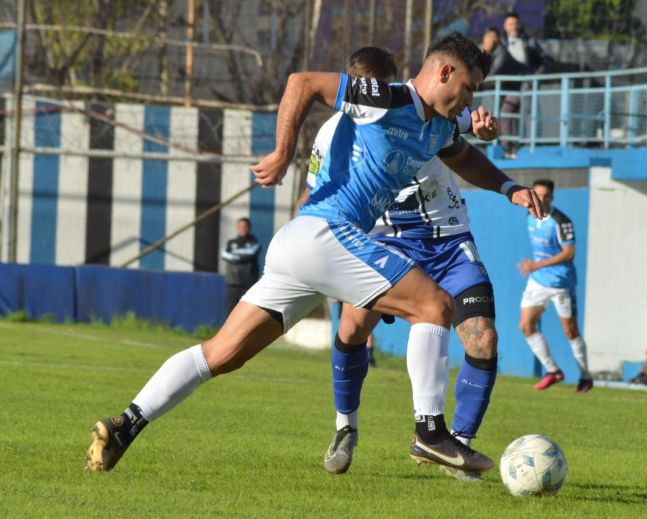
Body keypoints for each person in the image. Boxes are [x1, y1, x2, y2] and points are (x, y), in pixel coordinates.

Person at [84, 34, 545, 475]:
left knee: (223, 354)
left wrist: (509, 187)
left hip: (302, 246)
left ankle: (125, 425)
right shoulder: (388, 99)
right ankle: (430, 431)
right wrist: (283, 151)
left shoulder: (435, 126)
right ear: (444, 71)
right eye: (468, 88)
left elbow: (463, 156)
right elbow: (301, 83)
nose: (469, 99)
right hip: (324, 234)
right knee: (434, 306)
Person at [312, 58, 509, 482]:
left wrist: (481, 131)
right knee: (353, 326)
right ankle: (345, 427)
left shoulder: (416, 108)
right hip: (384, 240)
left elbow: (454, 132)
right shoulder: (331, 135)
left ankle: (456, 443)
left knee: (483, 338)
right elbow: (319, 193)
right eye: (367, 91)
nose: (378, 100)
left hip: (448, 239)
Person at [518, 179, 592, 393]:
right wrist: (536, 268)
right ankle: (553, 371)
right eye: (537, 195)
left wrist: (536, 265)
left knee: (570, 330)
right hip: (538, 280)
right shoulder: (529, 215)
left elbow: (569, 253)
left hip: (560, 282)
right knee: (526, 326)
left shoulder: (561, 221)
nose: (541, 200)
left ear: (551, 198)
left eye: (545, 196)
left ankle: (585, 377)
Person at [499, 12, 545, 157]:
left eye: (516, 24)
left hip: (525, 85)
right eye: (510, 24)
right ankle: (507, 146)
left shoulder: (528, 41)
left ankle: (527, 145)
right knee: (507, 114)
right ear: (505, 26)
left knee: (526, 114)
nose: (514, 27)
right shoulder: (501, 43)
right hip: (508, 86)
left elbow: (543, 60)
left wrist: (534, 77)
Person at [220, 217, 261, 315]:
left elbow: (251, 252)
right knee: (230, 313)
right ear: (237, 227)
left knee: (247, 314)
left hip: (248, 285)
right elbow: (224, 254)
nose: (242, 228)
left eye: (245, 226)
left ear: (249, 227)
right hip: (232, 284)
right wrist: (240, 257)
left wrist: (234, 255)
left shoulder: (254, 242)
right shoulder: (231, 242)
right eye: (240, 226)